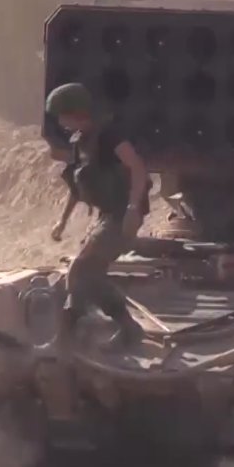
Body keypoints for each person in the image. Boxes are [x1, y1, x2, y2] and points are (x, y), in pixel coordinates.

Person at [44, 82, 149, 350]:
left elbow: (138, 168)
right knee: (87, 276)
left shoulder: (109, 136)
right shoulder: (80, 142)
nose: (60, 123)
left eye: (62, 116)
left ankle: (67, 338)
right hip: (107, 215)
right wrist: (62, 222)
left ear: (76, 112)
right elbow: (77, 187)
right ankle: (123, 328)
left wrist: (133, 209)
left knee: (81, 270)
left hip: (123, 215)